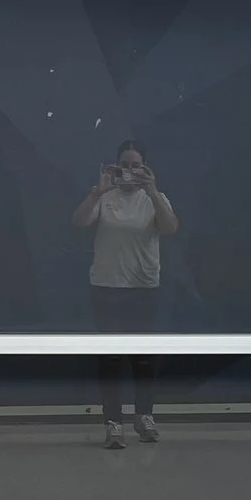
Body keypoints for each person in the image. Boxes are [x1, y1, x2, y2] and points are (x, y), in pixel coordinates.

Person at [72, 139, 178, 449]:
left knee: (144, 358)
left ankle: (144, 416)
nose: (129, 171)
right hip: (107, 288)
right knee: (111, 358)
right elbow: (78, 222)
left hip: (144, 288)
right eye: (124, 165)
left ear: (145, 168)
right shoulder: (106, 198)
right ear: (116, 167)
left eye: (136, 165)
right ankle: (112, 422)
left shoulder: (156, 199)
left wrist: (153, 191)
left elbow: (170, 228)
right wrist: (97, 191)